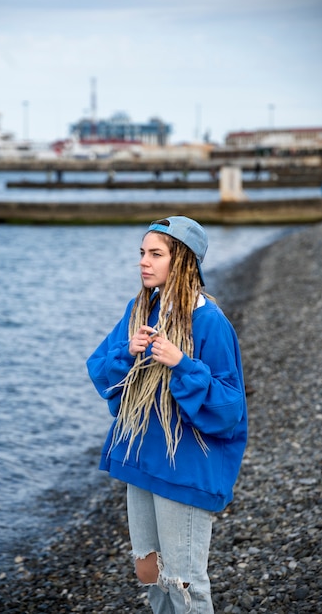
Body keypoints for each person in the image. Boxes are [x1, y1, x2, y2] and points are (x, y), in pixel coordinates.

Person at [86, 216, 248, 613]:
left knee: (184, 582)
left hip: (186, 467)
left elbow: (229, 408)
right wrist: (129, 351)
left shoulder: (210, 321)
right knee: (150, 573)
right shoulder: (142, 308)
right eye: (142, 253)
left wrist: (182, 364)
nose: (144, 261)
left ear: (184, 262)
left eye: (156, 254)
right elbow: (100, 369)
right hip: (141, 457)